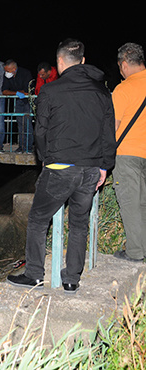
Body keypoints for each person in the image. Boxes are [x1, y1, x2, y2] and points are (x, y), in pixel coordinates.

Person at [7, 39, 116, 294]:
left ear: (59, 62)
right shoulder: (102, 92)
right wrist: (104, 167)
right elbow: (108, 134)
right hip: (91, 169)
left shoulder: (51, 91)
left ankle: (34, 274)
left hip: (60, 167)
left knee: (37, 219)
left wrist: (46, 158)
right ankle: (71, 280)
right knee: (78, 223)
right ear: (83, 61)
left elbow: (40, 130)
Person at [111, 42, 146, 263]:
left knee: (131, 204)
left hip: (127, 154)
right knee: (143, 203)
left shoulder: (123, 89)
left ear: (124, 64)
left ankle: (135, 252)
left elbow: (112, 127)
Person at [2, 60, 34, 153]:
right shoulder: (7, 76)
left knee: (27, 124)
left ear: (14, 69)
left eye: (7, 71)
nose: (6, 73)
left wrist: (16, 92)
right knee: (20, 124)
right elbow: (4, 91)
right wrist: (16, 93)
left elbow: (27, 91)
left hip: (28, 101)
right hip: (18, 101)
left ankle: (28, 147)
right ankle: (21, 146)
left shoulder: (25, 73)